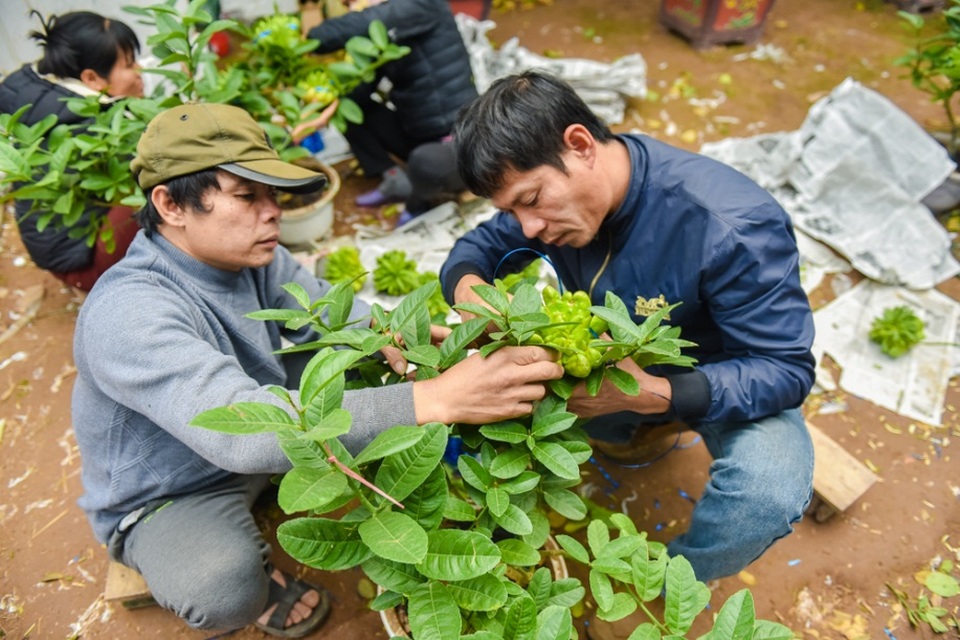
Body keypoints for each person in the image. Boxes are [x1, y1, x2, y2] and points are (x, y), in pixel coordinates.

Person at [71, 102, 561, 637]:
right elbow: (243, 430)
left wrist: (394, 336)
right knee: (223, 589)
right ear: (170, 204)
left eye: (271, 195)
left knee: (350, 355)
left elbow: (330, 312)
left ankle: (282, 481)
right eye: (246, 196)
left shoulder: (245, 252)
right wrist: (436, 398)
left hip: (264, 445)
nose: (272, 211)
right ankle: (217, 560)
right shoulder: (128, 313)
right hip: (177, 486)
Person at [439, 71, 816, 585]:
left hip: (718, 376)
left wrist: (654, 394)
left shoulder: (731, 227)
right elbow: (477, 250)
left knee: (767, 493)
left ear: (579, 145)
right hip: (606, 365)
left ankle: (671, 585)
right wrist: (469, 294)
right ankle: (622, 430)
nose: (527, 229)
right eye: (511, 210)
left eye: (529, 201)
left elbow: (786, 369)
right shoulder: (558, 201)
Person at [0, 11, 144, 291]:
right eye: (129, 64)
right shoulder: (85, 125)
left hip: (62, 251)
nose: (140, 71)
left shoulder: (41, 91)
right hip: (83, 264)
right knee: (161, 190)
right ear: (91, 78)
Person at [305, 0, 475, 219]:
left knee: (426, 162)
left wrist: (304, 39)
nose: (353, 7)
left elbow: (347, 28)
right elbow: (363, 89)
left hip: (458, 139)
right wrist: (322, 109)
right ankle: (394, 177)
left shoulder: (422, 5)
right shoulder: (388, 32)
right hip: (418, 132)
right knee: (350, 108)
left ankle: (416, 205)